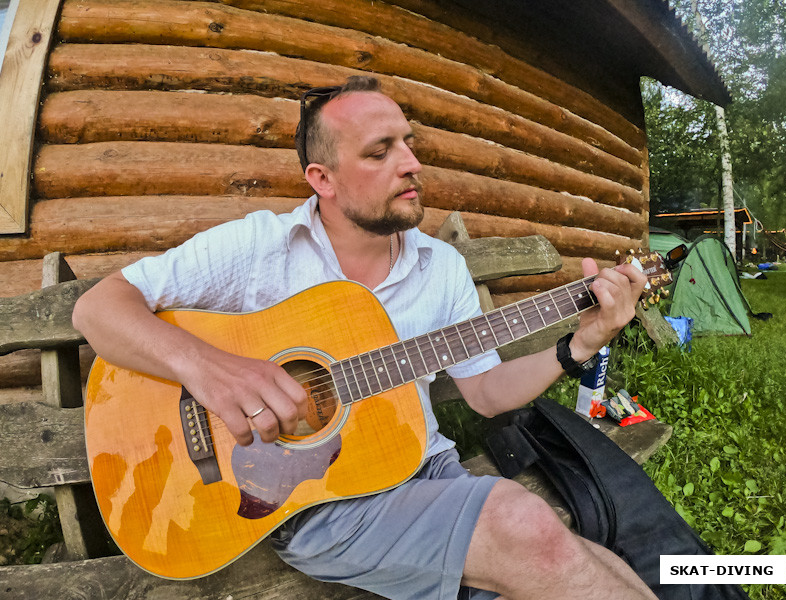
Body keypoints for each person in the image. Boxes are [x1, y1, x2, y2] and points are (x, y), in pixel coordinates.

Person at [73, 76, 654, 600]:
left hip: (423, 470)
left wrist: (579, 345)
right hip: (312, 501)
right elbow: (99, 310)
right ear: (321, 179)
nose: (411, 163)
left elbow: (483, 393)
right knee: (527, 525)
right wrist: (211, 369)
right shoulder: (257, 247)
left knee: (576, 554)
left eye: (407, 142)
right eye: (381, 151)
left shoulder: (441, 266)